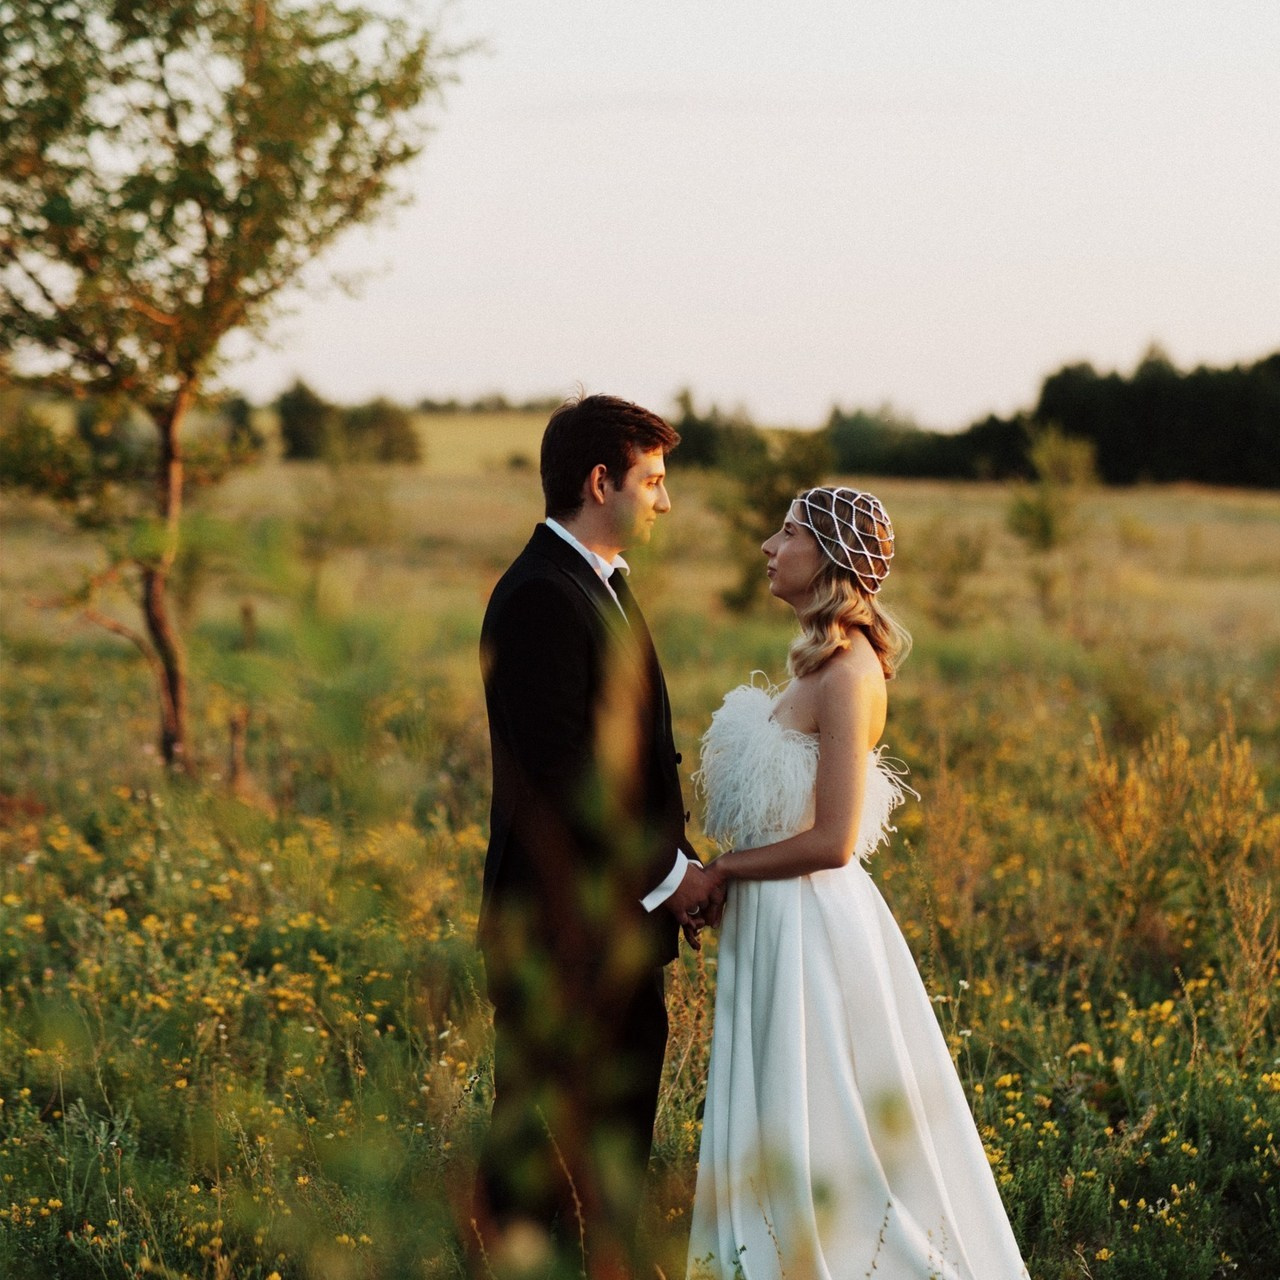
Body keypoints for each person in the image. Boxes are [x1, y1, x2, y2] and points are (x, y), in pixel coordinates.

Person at [686, 488, 1029, 1280]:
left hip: (810, 923)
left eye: (789, 532)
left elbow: (835, 841)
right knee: (780, 1114)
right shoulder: (817, 658)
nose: (769, 547)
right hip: (774, 919)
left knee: (818, 1115)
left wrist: (724, 869)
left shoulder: (849, 672)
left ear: (831, 558)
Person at [474, 394, 720, 1277]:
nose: (664, 501)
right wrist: (671, 878)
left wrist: (678, 866)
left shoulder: (601, 582)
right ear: (599, 480)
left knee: (607, 1154)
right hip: (559, 930)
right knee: (538, 1157)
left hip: (610, 925)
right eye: (652, 481)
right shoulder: (542, 595)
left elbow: (631, 764)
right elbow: (569, 779)